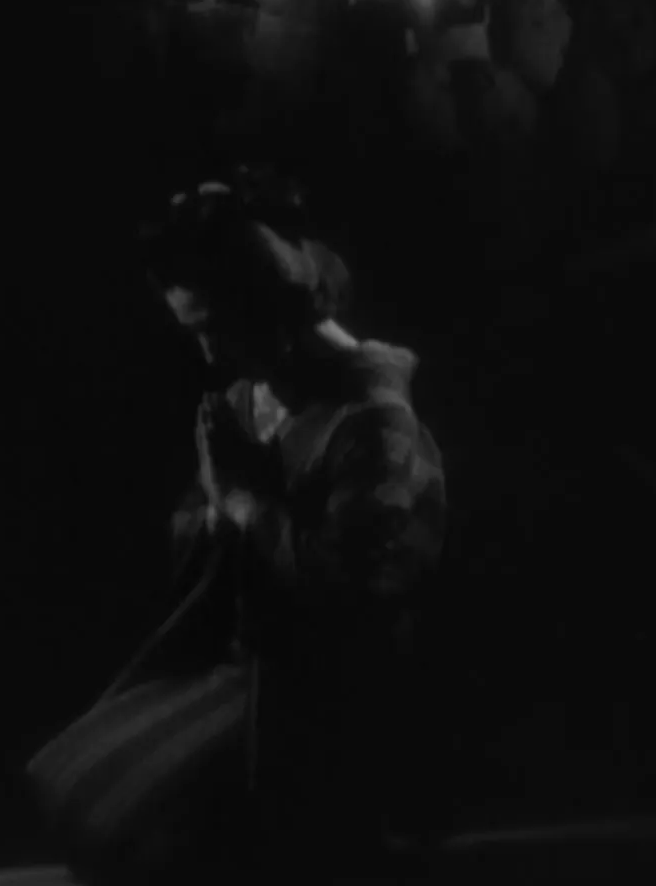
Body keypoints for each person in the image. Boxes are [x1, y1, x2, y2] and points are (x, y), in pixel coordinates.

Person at [140, 167, 450, 879]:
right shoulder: (251, 400)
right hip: (258, 721)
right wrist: (214, 507)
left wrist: (245, 503)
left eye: (216, 329)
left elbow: (355, 589)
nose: (208, 355)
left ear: (269, 308)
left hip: (343, 741)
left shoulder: (376, 423)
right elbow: (197, 547)